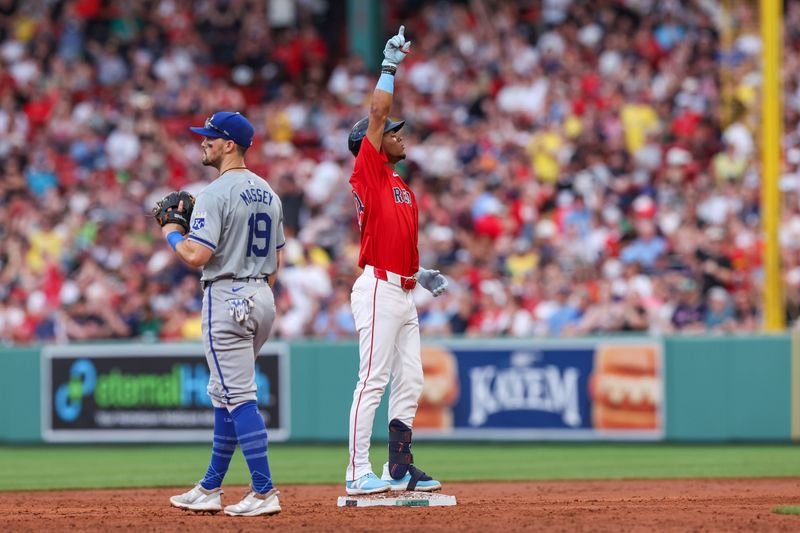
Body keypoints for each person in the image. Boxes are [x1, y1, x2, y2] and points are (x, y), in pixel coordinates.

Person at [162, 111, 285, 516]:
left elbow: (197, 255)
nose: (203, 142)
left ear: (229, 144)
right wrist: (255, 297)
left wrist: (171, 232)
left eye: (210, 137)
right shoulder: (269, 192)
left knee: (238, 396)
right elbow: (277, 259)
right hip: (261, 296)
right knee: (225, 394)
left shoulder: (214, 193)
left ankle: (264, 491)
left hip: (227, 293)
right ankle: (211, 486)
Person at [344, 25, 449, 496]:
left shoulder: (401, 186)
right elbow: (378, 111)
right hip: (377, 289)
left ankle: (398, 468)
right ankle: (354, 470)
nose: (398, 135)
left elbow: (399, 236)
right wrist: (388, 68)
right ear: (371, 142)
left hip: (403, 288)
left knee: (411, 378)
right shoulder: (369, 171)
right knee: (373, 379)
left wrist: (418, 272)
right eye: (392, 133)